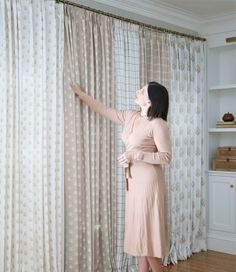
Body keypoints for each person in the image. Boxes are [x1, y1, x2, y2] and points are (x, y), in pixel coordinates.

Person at [71, 81, 171, 272]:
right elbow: (104, 110)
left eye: (142, 90)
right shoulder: (130, 116)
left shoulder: (158, 124)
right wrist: (82, 95)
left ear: (150, 100)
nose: (137, 91)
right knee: (140, 236)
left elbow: (166, 157)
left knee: (145, 236)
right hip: (132, 183)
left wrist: (137, 155)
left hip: (149, 184)